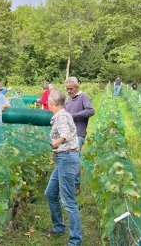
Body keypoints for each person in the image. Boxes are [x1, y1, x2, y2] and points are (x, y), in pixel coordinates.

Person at [44, 89, 82, 246]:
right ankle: (59, 227)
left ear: (52, 103)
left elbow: (65, 134)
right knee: (50, 193)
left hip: (66, 159)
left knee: (68, 202)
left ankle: (75, 241)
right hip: (63, 159)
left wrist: (57, 142)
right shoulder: (62, 115)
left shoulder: (62, 116)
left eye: (48, 103)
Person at [65, 77, 94, 194]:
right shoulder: (67, 100)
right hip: (67, 134)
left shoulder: (83, 97)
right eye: (67, 89)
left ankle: (76, 185)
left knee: (74, 158)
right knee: (67, 159)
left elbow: (90, 111)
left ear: (77, 87)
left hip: (79, 133)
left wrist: (74, 115)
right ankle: (68, 184)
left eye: (71, 89)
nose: (69, 91)